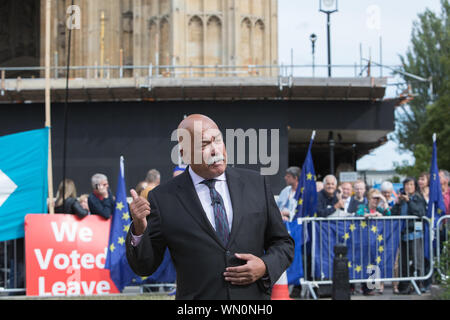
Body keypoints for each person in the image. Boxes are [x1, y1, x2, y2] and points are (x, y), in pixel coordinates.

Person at [126, 114, 294, 300]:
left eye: (218, 140)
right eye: (204, 144)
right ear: (184, 154)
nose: (215, 150)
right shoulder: (163, 198)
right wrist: (139, 230)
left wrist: (264, 266)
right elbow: (144, 266)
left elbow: (283, 244)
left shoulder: (256, 184)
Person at [391, 177, 427, 294]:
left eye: (411, 184)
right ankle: (405, 285)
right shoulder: (401, 199)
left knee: (417, 261)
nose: (408, 187)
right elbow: (393, 214)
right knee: (404, 262)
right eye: (406, 185)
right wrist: (397, 204)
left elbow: (420, 212)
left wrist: (409, 201)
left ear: (415, 186)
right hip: (403, 234)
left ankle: (419, 283)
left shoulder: (418, 198)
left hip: (415, 234)